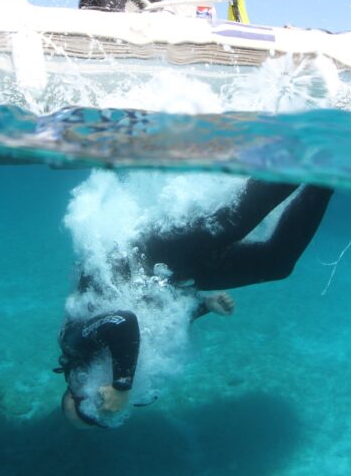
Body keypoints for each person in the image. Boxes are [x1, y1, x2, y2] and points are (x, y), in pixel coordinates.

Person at [56, 178, 333, 428]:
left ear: (72, 387)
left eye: (80, 404)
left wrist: (121, 385)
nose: (92, 405)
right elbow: (153, 324)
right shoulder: (128, 383)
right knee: (276, 265)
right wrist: (204, 305)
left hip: (148, 252)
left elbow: (122, 322)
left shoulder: (74, 344)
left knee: (232, 223)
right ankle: (327, 175)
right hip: (178, 275)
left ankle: (301, 156)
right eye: (94, 417)